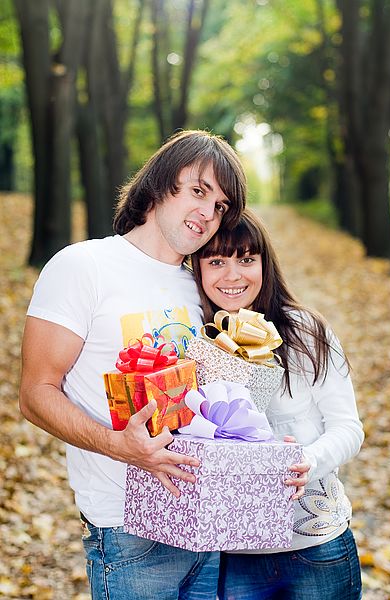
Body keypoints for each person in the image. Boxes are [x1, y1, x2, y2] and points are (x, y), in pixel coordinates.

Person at [19, 129, 247, 600]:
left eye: (221, 206)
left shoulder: (199, 286)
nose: (208, 213)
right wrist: (121, 446)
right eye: (199, 191)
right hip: (127, 530)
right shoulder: (84, 266)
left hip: (205, 521)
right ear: (160, 185)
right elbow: (36, 393)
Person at [191, 208, 365, 600]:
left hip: (316, 544)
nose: (232, 275)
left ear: (265, 265)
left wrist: (309, 459)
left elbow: (348, 428)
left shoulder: (307, 331)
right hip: (233, 554)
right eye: (216, 261)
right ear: (197, 268)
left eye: (246, 259)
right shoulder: (191, 343)